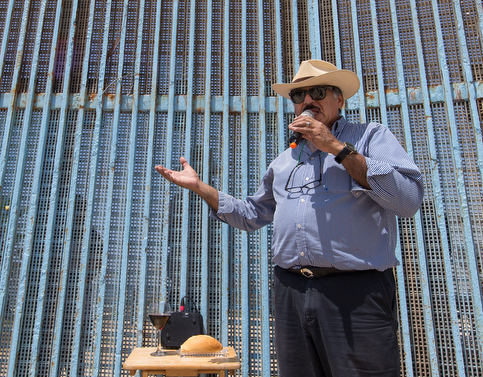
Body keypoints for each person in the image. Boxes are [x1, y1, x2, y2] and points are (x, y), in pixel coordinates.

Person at [154, 59, 424, 376]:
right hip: (291, 293)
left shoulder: (370, 137)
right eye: (299, 96)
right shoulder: (285, 161)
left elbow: (408, 200)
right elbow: (251, 214)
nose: (308, 100)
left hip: (355, 294)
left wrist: (335, 147)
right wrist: (200, 187)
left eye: (318, 91)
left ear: (340, 99)